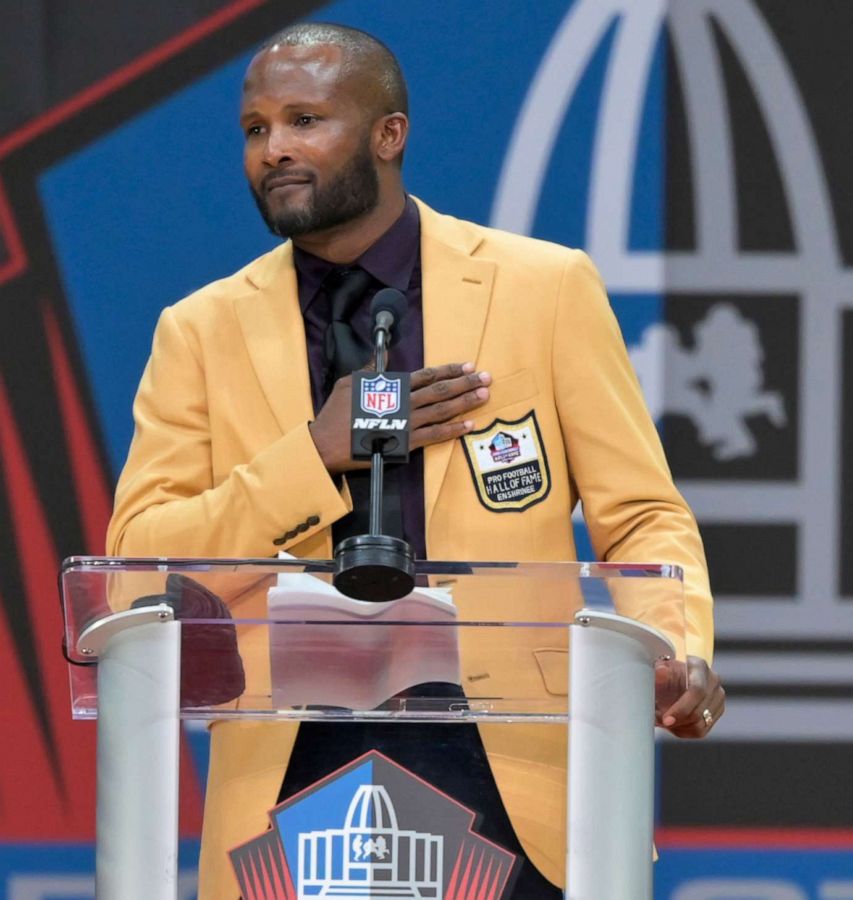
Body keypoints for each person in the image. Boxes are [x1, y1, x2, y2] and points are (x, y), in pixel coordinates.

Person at [105, 22, 722, 898]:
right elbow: (138, 566)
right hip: (289, 766)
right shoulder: (200, 331)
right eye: (255, 129)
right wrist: (314, 455)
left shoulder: (542, 291)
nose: (274, 149)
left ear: (389, 135)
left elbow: (641, 514)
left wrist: (673, 642)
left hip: (507, 762)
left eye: (305, 120)